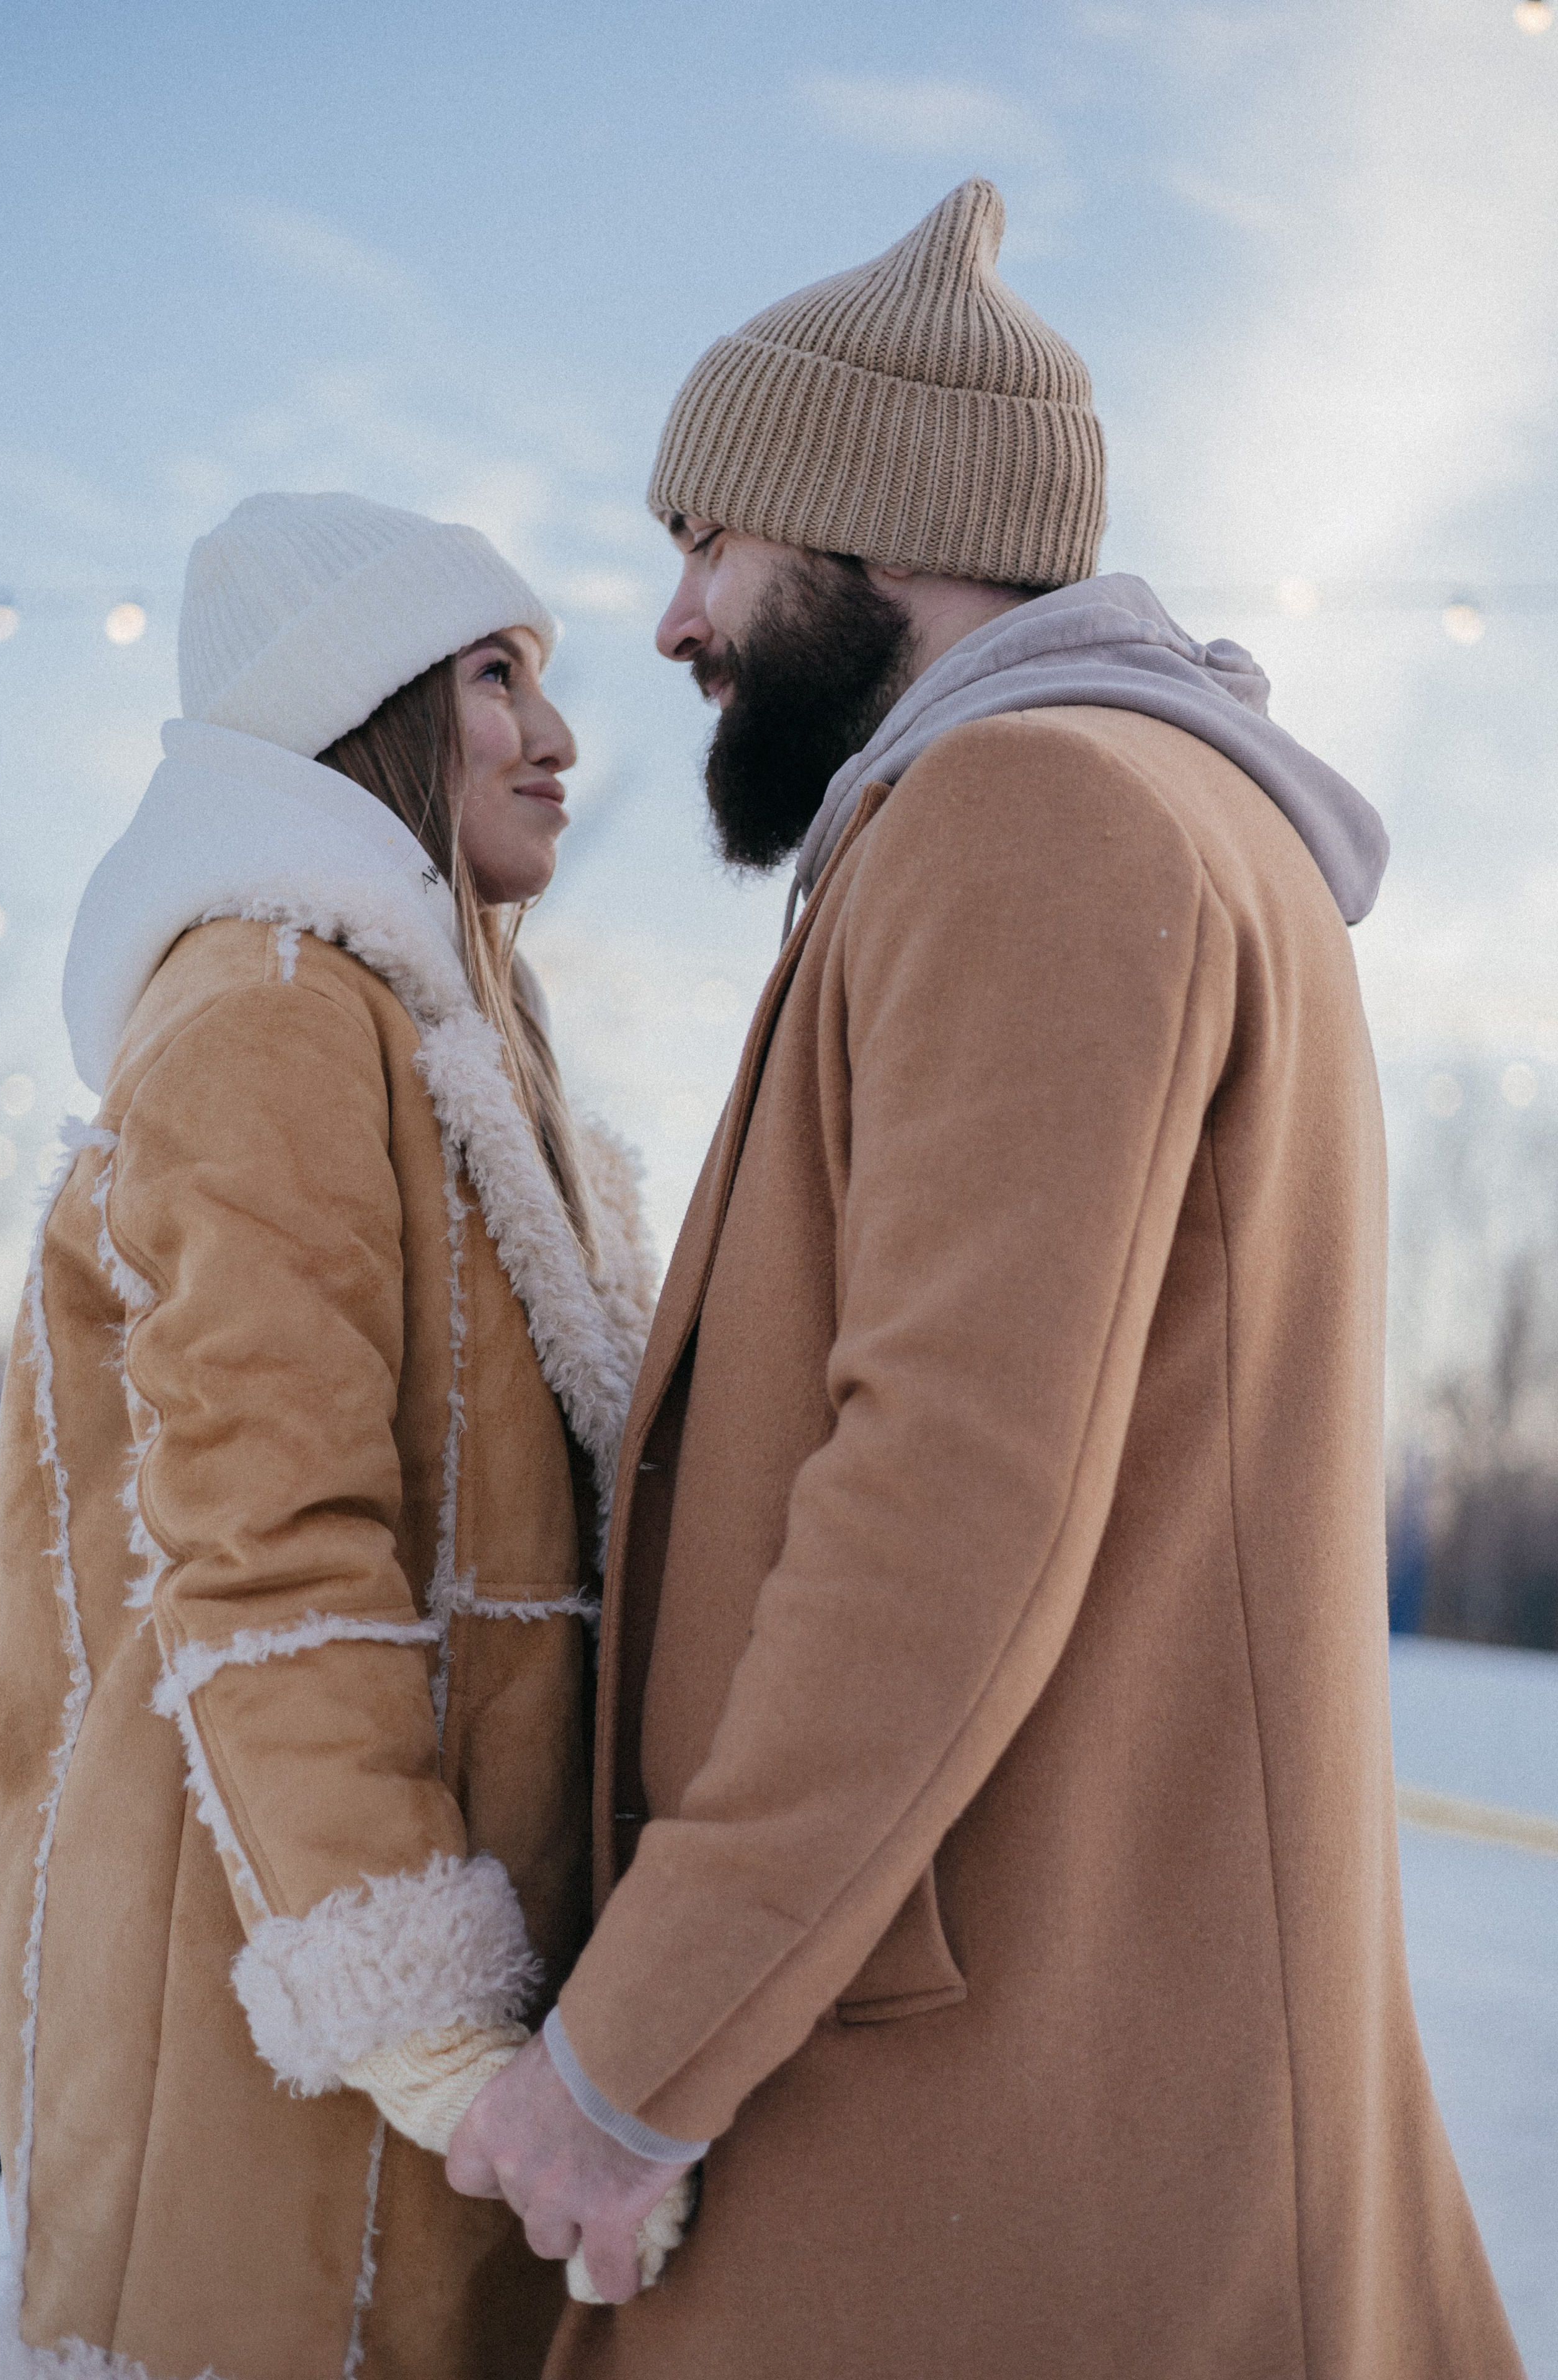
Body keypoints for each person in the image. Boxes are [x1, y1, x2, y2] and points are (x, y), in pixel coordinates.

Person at [446, 180, 1527, 2378]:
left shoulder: (1032, 817)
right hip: (1091, 2082)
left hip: (1006, 2139)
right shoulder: (1146, 813)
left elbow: (949, 1500)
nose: (672, 621)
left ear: (882, 524)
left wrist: (633, 2058)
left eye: (712, 542)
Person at [0, 491, 656, 2380]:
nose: (557, 732)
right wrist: (425, 2025)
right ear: (368, 707)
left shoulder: (446, 1043)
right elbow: (270, 1550)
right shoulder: (270, 1011)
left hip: (412, 2065)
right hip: (277, 2063)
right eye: (495, 676)